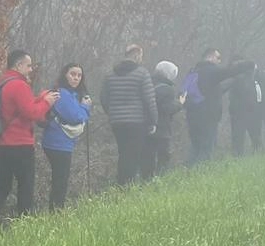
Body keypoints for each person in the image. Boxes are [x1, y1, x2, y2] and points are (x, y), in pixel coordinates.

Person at [0, 50, 58, 226]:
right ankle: (24, 224)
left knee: (2, 186)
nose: (31, 69)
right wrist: (47, 102)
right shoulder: (19, 85)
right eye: (28, 65)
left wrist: (40, 98)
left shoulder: (1, 83)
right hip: (19, 144)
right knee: (25, 185)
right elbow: (32, 113)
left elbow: (20, 107)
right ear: (18, 65)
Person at [184, 48, 255, 165]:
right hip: (208, 117)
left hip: (192, 117)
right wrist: (248, 64)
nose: (219, 61)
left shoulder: (192, 72)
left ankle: (188, 171)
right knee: (206, 149)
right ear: (210, 57)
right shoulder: (212, 71)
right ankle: (201, 173)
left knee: (195, 147)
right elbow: (229, 71)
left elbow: (183, 94)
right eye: (218, 58)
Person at [99, 44, 157, 185]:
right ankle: (126, 186)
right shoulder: (142, 73)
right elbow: (150, 99)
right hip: (136, 121)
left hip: (117, 122)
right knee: (133, 155)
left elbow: (103, 98)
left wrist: (112, 112)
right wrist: (153, 120)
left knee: (123, 153)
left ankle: (122, 184)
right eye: (141, 56)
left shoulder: (110, 75)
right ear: (137, 55)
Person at [40, 63, 91, 210]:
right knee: (60, 180)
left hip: (62, 142)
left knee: (61, 179)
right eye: (72, 74)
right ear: (65, 75)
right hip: (57, 142)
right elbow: (76, 117)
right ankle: (56, 212)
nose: (76, 78)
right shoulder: (62, 94)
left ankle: (57, 210)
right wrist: (85, 107)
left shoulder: (72, 94)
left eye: (79, 75)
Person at [142, 61, 185, 178]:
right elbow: (167, 109)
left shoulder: (148, 84)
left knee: (148, 156)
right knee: (163, 156)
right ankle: (161, 179)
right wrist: (180, 103)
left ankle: (146, 179)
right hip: (162, 128)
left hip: (146, 126)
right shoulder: (168, 89)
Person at [227, 57, 263, 157]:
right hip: (247, 112)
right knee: (252, 137)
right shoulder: (253, 78)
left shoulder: (238, 79)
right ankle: (257, 155)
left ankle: (240, 156)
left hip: (242, 113)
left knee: (241, 138)